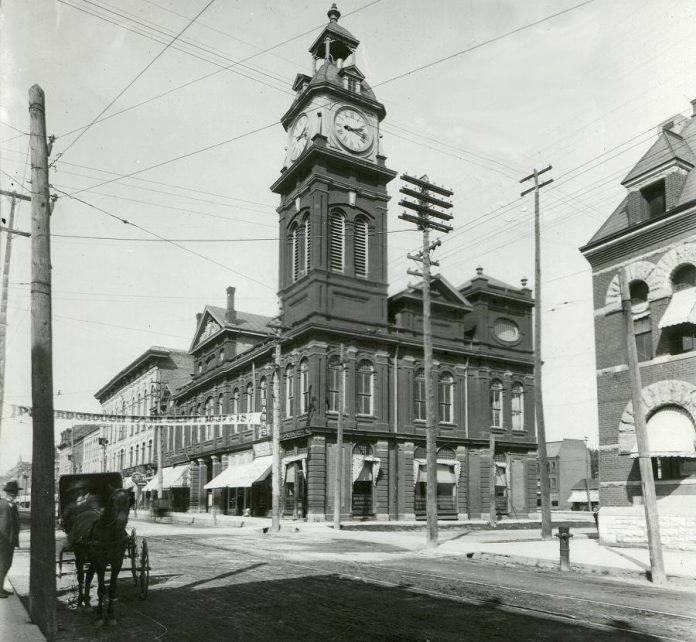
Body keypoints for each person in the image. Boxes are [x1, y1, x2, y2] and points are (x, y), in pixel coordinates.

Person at [0, 480, 21, 597]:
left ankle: (1, 588)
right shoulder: (1, 504)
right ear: (7, 493)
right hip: (2, 541)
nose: (13, 494)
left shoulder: (14, 506)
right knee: (2, 565)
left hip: (10, 541)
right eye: (12, 492)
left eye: (15, 492)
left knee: (7, 564)